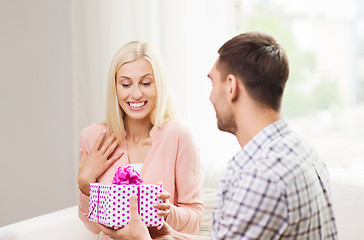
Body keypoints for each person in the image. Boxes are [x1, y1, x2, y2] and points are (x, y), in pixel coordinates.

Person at [99, 32, 338, 240]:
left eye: (213, 83)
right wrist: (173, 236)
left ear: (231, 86)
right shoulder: (303, 151)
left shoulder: (257, 176)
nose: (211, 96)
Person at [77, 41, 204, 239]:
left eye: (146, 83)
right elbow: (94, 228)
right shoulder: (93, 138)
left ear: (158, 85)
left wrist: (167, 212)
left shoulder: (179, 137)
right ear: (115, 88)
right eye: (126, 84)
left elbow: (195, 221)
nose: (136, 94)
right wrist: (86, 186)